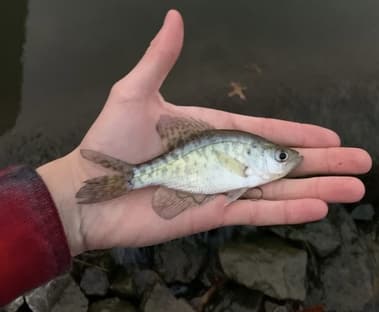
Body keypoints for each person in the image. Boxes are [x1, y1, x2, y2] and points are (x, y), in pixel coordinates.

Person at [0, 10, 372, 306]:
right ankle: (122, 179)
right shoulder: (245, 170)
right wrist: (68, 207)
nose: (287, 160)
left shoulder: (248, 171)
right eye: (279, 156)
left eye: (282, 157)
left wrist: (63, 204)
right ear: (256, 158)